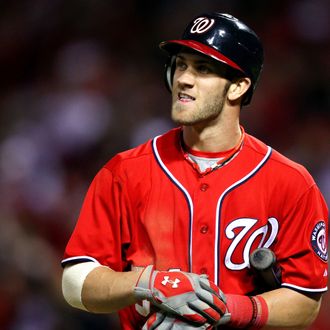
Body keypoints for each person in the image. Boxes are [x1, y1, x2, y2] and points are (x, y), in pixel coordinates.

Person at [61, 12, 328, 329]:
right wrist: (152, 283)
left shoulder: (290, 183)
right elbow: (75, 282)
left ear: (238, 87)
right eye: (182, 65)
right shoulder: (125, 171)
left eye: (203, 69)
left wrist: (227, 309)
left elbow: (306, 301)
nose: (183, 79)